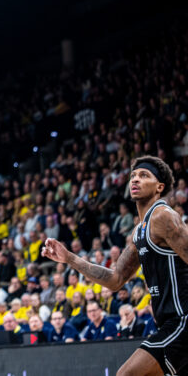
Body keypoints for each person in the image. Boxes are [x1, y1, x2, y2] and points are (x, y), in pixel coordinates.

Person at [44, 156, 188, 375]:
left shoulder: (163, 217)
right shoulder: (140, 230)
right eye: (133, 176)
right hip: (169, 323)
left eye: (144, 175)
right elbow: (115, 279)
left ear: (159, 187)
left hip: (182, 321)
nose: (135, 179)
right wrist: (70, 258)